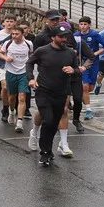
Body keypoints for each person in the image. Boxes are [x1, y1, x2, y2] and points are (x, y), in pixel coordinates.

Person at [27, 25, 77, 167]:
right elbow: (29, 63)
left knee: (54, 124)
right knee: (48, 121)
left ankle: (48, 150)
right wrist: (31, 79)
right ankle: (44, 152)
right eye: (61, 37)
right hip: (43, 92)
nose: (64, 39)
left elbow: (77, 69)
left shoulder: (70, 53)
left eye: (65, 37)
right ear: (53, 37)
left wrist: (73, 70)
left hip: (60, 93)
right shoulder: (42, 51)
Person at [72, 17, 104, 132]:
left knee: (90, 87)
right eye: (81, 24)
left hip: (93, 62)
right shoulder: (76, 36)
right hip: (82, 63)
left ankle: (86, 96)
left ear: (89, 25)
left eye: (85, 24)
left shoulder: (95, 35)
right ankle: (88, 109)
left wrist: (95, 53)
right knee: (85, 86)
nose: (82, 26)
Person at [0, 24, 33, 132]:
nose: (14, 36)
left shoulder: (28, 44)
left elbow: (31, 54)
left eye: (16, 34)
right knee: (12, 97)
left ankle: (19, 122)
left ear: (22, 34)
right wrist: (6, 58)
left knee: (22, 97)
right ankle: (12, 111)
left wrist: (30, 65)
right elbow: (0, 53)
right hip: (11, 72)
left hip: (23, 73)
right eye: (12, 34)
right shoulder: (8, 44)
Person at [0, 16, 17, 122]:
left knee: (13, 88)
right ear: (4, 23)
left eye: (11, 21)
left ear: (15, 23)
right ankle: (5, 108)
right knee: (5, 87)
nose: (9, 23)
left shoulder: (17, 34)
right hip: (1, 63)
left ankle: (12, 107)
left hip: (14, 63)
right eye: (7, 21)